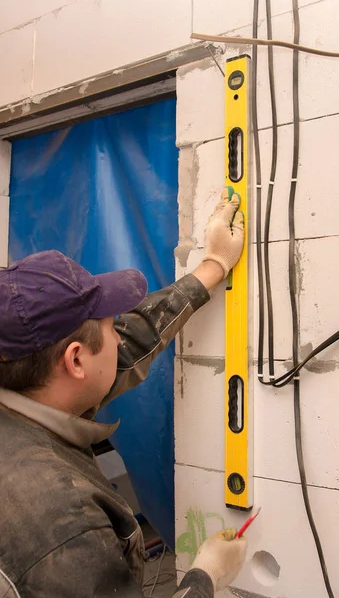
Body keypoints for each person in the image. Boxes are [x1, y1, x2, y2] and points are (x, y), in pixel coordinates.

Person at [0, 188, 247, 598]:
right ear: (76, 361)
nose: (119, 337)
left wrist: (214, 265)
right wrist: (205, 577)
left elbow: (133, 340)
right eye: (110, 327)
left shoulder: (29, 387)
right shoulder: (65, 526)